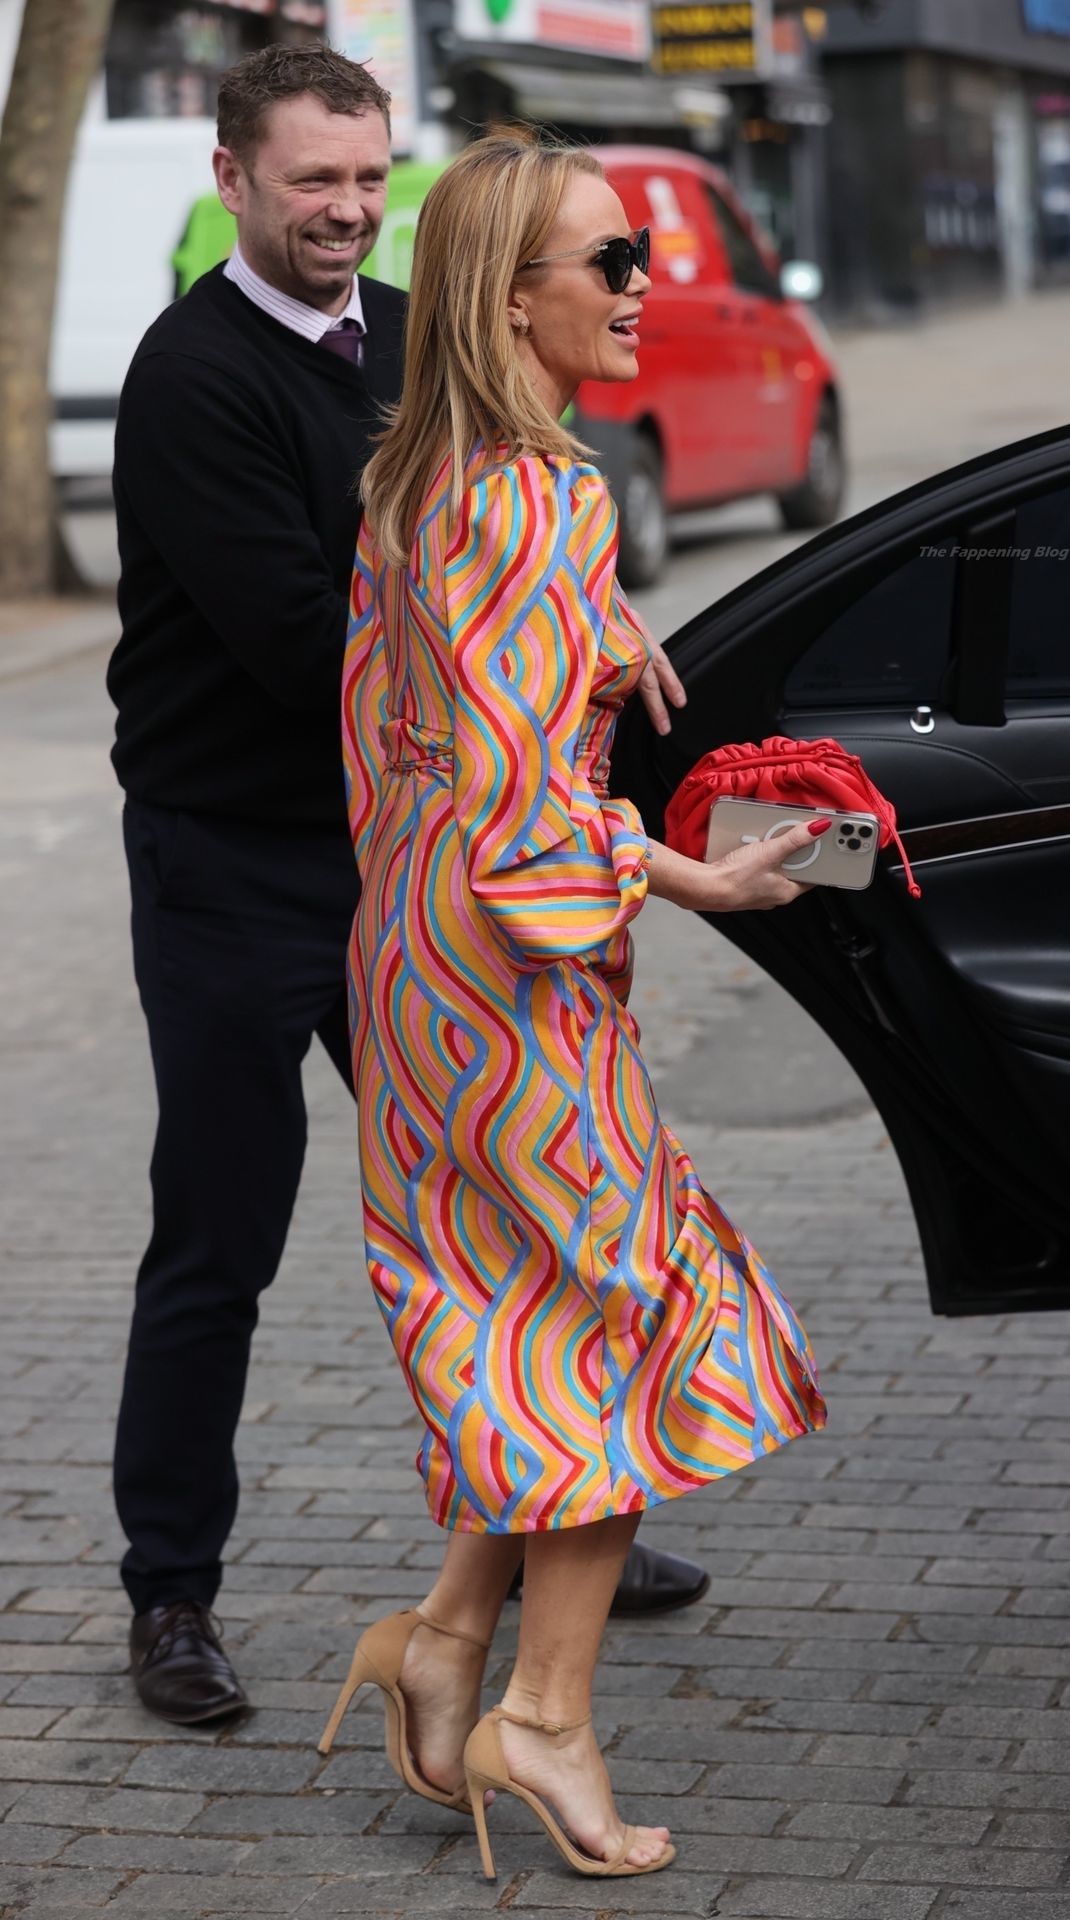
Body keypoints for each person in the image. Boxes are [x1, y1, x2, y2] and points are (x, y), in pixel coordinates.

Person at [107, 46, 707, 1731]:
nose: (348, 210)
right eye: (314, 179)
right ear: (232, 178)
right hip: (241, 867)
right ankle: (171, 1594)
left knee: (518, 1204)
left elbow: (499, 503)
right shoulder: (191, 376)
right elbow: (320, 645)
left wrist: (588, 609)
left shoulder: (406, 338)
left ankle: (560, 1509)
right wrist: (531, 654)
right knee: (219, 1234)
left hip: (415, 868)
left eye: (372, 179)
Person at [323, 128, 827, 1880]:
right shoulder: (543, 501)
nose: (639, 289)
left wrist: (596, 628)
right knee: (609, 1329)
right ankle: (543, 1719)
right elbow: (524, 801)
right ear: (506, 299)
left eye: (638, 258)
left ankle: (444, 1640)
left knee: (525, 1315)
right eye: (610, 264)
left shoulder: (424, 484)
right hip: (514, 970)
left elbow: (409, 733)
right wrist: (701, 877)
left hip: (414, 965)